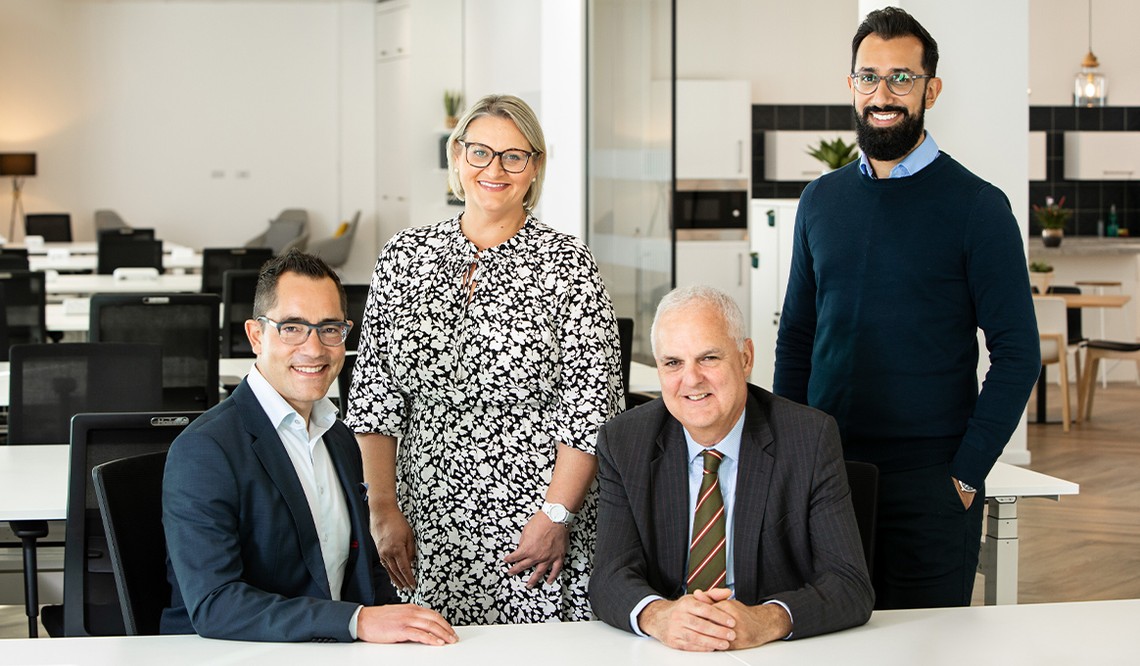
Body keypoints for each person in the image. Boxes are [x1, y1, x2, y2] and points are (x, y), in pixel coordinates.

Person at [773, 7, 1041, 610]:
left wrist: (966, 474)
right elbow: (797, 338)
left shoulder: (978, 207)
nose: (883, 93)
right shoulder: (820, 201)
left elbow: (1019, 354)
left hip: (931, 481)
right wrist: (785, 459)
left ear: (931, 89)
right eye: (868, 77)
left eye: (902, 77)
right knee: (828, 643)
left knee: (926, 648)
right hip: (826, 473)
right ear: (851, 86)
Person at [345, 94, 623, 625]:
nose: (495, 169)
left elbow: (591, 411)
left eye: (514, 156)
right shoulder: (405, 255)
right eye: (480, 153)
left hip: (534, 518)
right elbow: (374, 399)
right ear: (456, 156)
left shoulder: (569, 264)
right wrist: (383, 509)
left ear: (535, 167)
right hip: (424, 517)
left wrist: (556, 514)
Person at [162, 250, 457, 645]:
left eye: (330, 328)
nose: (315, 349)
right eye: (293, 328)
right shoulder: (205, 450)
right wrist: (357, 622)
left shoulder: (338, 437)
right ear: (256, 336)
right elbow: (216, 604)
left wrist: (396, 628)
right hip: (232, 654)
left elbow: (359, 574)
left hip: (327, 649)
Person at [590, 286, 873, 652]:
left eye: (708, 358)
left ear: (745, 357)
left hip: (774, 653)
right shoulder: (625, 441)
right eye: (673, 363)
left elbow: (850, 584)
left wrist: (767, 619)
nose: (691, 380)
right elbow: (609, 576)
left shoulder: (810, 438)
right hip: (667, 651)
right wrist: (659, 615)